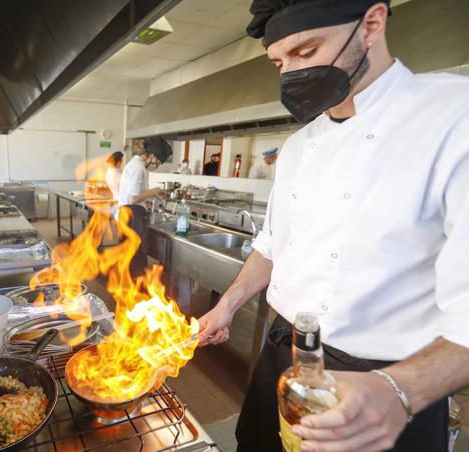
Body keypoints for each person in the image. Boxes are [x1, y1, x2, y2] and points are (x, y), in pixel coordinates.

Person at [196, 1, 469, 451]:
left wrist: (400, 392)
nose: (290, 74)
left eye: (306, 51)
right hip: (282, 357)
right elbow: (272, 245)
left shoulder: (452, 117)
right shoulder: (299, 146)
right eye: (280, 62)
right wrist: (227, 305)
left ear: (372, 24)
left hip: (387, 379)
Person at [117, 137, 170, 277]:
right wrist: (154, 191)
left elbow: (135, 193)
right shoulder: (138, 167)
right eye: (158, 161)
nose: (157, 165)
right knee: (137, 255)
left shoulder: (135, 164)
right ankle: (136, 289)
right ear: (152, 155)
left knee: (129, 254)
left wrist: (155, 194)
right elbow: (133, 198)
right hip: (132, 214)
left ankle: (129, 287)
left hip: (127, 213)